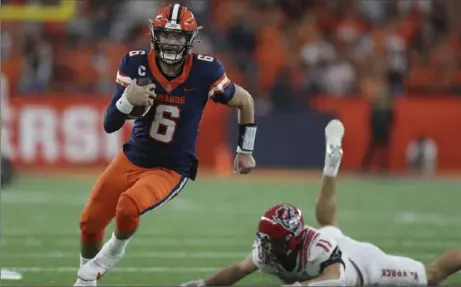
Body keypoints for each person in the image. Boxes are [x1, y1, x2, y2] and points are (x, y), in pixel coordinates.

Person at [73, 4, 257, 286]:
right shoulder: (135, 64)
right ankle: (86, 282)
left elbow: (244, 100)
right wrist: (127, 100)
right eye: (166, 34)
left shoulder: (205, 70)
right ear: (154, 34)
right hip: (133, 157)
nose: (172, 41)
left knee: (127, 206)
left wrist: (245, 150)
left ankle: (114, 251)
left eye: (179, 36)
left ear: (190, 39)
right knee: (88, 223)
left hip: (170, 167)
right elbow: (110, 124)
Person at [181, 119, 461, 287]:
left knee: (432, 275)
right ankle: (330, 166)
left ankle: (330, 167)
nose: (267, 247)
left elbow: (336, 279)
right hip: (325, 245)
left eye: (274, 242)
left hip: (359, 263)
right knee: (328, 223)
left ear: (292, 241)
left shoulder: (319, 249)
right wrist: (204, 284)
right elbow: (239, 270)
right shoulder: (271, 250)